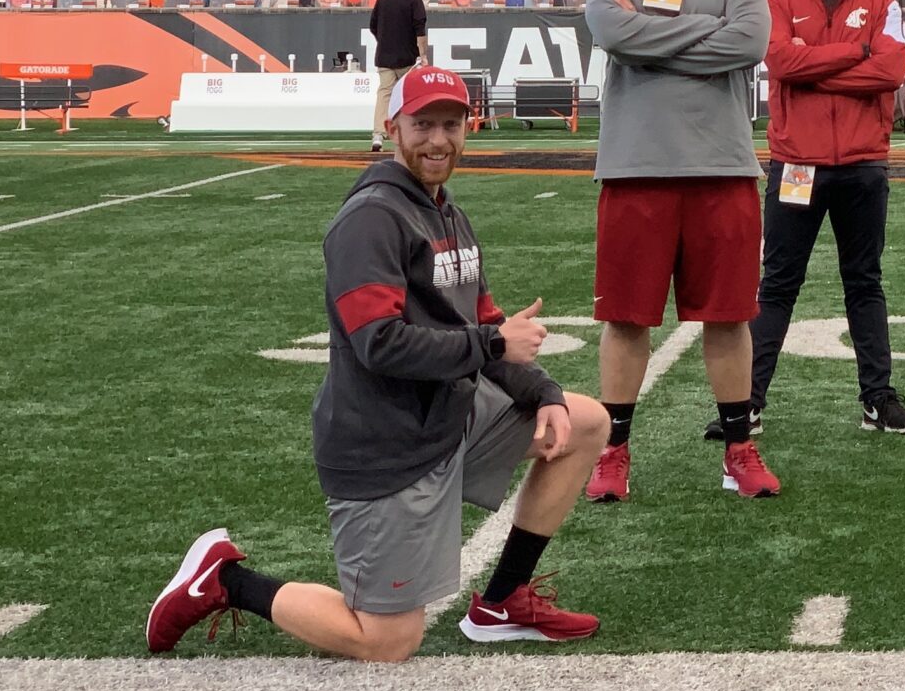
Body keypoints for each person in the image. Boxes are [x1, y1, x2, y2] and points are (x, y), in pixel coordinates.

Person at [146, 67, 608, 659]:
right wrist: (494, 345)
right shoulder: (371, 217)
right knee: (388, 642)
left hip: (443, 420)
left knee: (581, 420)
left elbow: (484, 325)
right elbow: (381, 344)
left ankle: (503, 600)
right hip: (385, 448)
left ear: (470, 128)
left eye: (451, 124)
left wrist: (541, 388)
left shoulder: (447, 213)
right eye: (423, 125)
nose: (437, 139)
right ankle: (224, 582)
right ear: (393, 128)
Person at [582, 0, 776, 502]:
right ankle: (613, 452)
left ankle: (739, 451)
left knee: (729, 318)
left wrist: (654, 35)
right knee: (627, 318)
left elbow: (749, 43)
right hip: (636, 169)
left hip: (722, 167)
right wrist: (704, 33)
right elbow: (612, 33)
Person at [744, 0, 905, 437]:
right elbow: (778, 60)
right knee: (777, 284)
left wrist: (812, 67)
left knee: (864, 282)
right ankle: (747, 402)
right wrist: (855, 53)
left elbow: (891, 72)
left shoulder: (884, 1)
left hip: (863, 166)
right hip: (796, 164)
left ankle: (878, 399)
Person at [366, 0, 428, 155]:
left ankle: (378, 134)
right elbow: (420, 31)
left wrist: (384, 41)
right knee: (409, 96)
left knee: (384, 94)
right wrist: (423, 55)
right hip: (406, 58)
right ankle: (411, 134)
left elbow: (372, 26)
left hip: (384, 56)